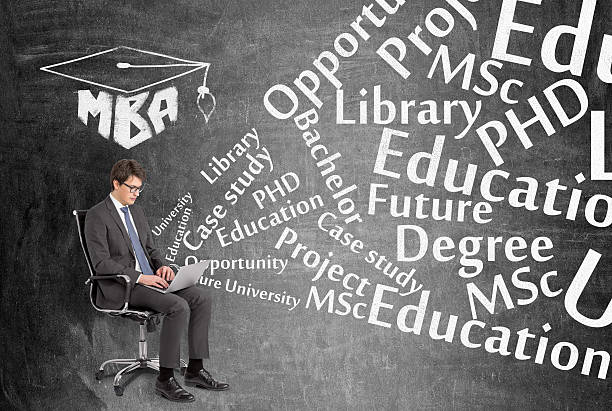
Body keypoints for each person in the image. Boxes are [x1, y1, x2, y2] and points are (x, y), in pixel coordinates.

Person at [84, 159, 228, 402]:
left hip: (151, 280)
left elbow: (151, 250)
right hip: (124, 286)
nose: (136, 194)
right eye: (132, 188)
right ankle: (165, 379)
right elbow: (101, 263)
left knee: (201, 297)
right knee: (178, 305)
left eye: (139, 189)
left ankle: (194, 370)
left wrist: (163, 268)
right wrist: (142, 278)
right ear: (116, 183)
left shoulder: (137, 212)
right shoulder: (97, 216)